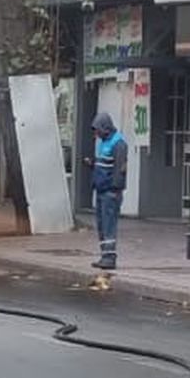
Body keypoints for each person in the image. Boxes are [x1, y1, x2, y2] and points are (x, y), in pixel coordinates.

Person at [84, 113, 127, 270]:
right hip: (101, 190)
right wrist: (92, 164)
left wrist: (115, 189)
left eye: (97, 130)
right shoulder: (103, 143)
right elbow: (104, 164)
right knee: (102, 225)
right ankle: (104, 255)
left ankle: (110, 257)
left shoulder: (119, 144)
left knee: (109, 225)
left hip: (110, 192)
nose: (96, 134)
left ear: (105, 128)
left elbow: (120, 169)